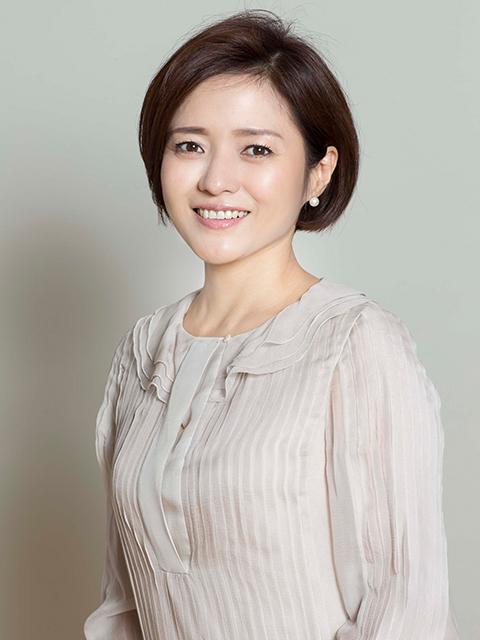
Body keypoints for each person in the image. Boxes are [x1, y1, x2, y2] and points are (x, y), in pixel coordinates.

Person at [84, 10, 460, 640]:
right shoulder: (143, 351)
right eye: (189, 145)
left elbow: (406, 611)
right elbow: (123, 604)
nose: (215, 180)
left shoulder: (354, 343)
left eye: (255, 149)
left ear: (319, 171)